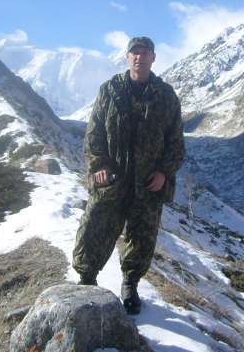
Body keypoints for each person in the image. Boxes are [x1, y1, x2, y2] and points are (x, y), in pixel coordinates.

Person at [72, 36, 185, 314]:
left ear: (153, 58)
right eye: (135, 52)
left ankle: (130, 284)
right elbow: (94, 133)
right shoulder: (109, 91)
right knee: (96, 225)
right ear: (127, 56)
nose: (139, 57)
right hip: (112, 179)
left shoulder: (166, 96)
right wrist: (99, 165)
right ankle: (86, 278)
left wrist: (163, 172)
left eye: (145, 53)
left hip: (148, 183)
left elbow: (176, 143)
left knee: (142, 235)